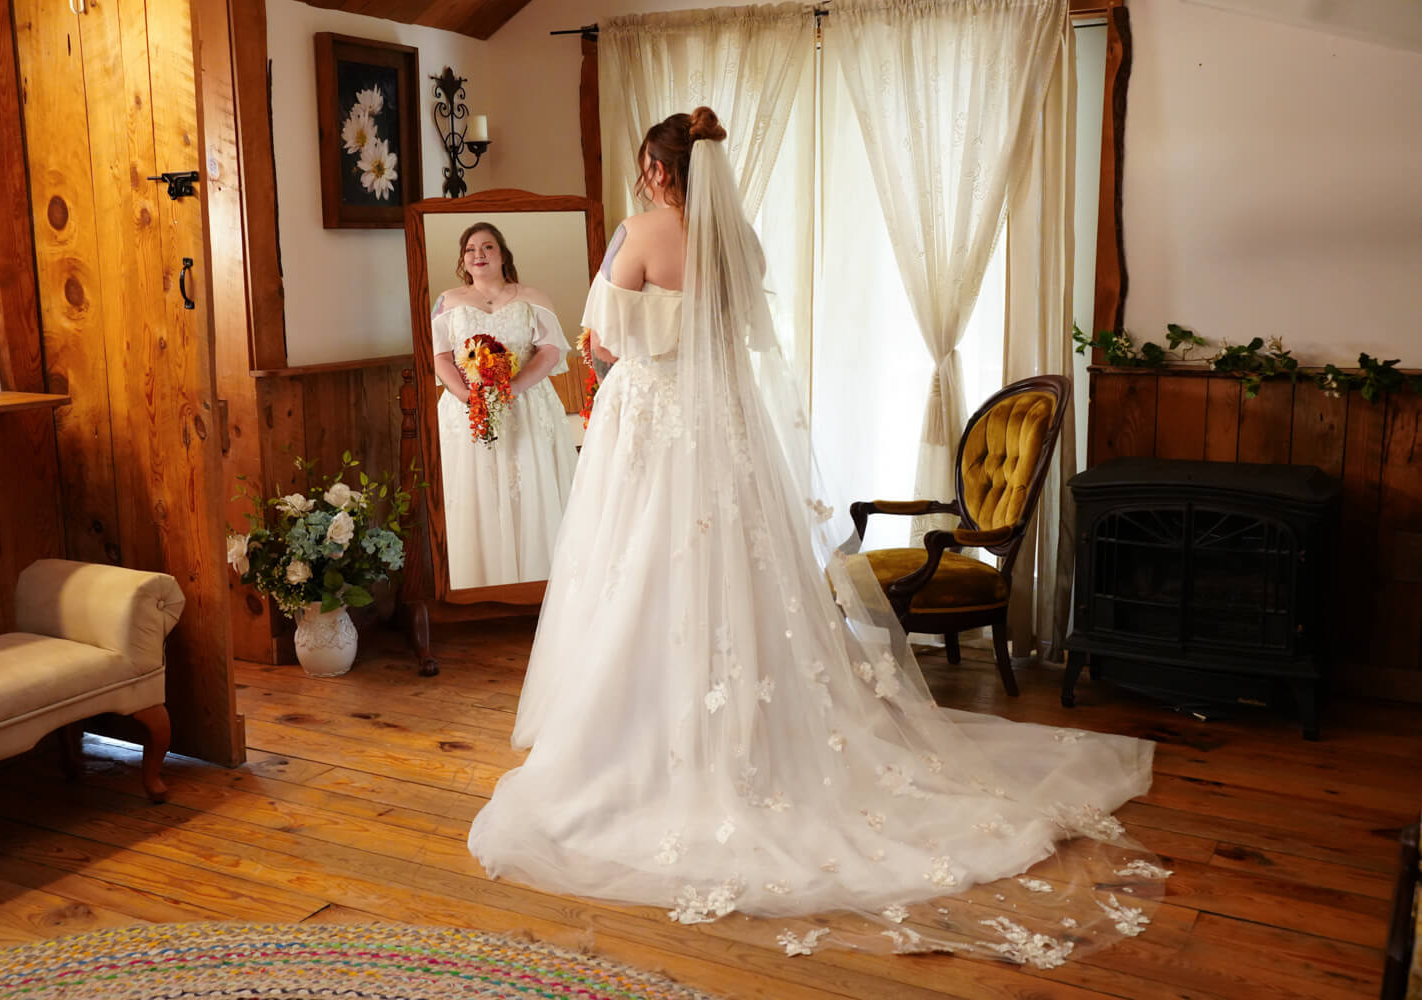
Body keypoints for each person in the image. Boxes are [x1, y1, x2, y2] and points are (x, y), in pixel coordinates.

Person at [468, 109, 1164, 967]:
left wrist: (623, 336)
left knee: (639, 572)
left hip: (650, 429)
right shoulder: (743, 242)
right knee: (736, 575)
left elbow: (602, 341)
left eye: (645, 167)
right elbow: (743, 338)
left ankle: (644, 739)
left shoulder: (640, 232)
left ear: (656, 168)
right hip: (724, 431)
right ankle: (755, 733)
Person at [433, 223, 578, 589]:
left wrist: (511, 389)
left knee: (530, 487)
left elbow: (551, 350)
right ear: (463, 260)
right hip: (469, 410)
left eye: (488, 247)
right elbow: (440, 357)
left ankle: (540, 585)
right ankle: (476, 585)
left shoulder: (532, 297)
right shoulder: (448, 301)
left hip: (526, 404)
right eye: (470, 249)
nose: (478, 254)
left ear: (503, 255)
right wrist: (471, 399)